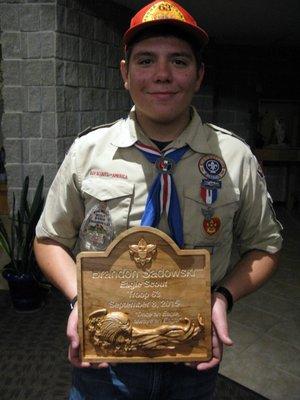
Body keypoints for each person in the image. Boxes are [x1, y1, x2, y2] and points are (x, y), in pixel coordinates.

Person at [34, 1, 282, 399]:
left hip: (193, 358)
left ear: (199, 75)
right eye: (146, 60)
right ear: (125, 74)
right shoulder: (88, 152)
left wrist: (223, 297)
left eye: (179, 62)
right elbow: (49, 240)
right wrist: (80, 299)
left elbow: (265, 246)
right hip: (105, 361)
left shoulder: (234, 158)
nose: (162, 75)